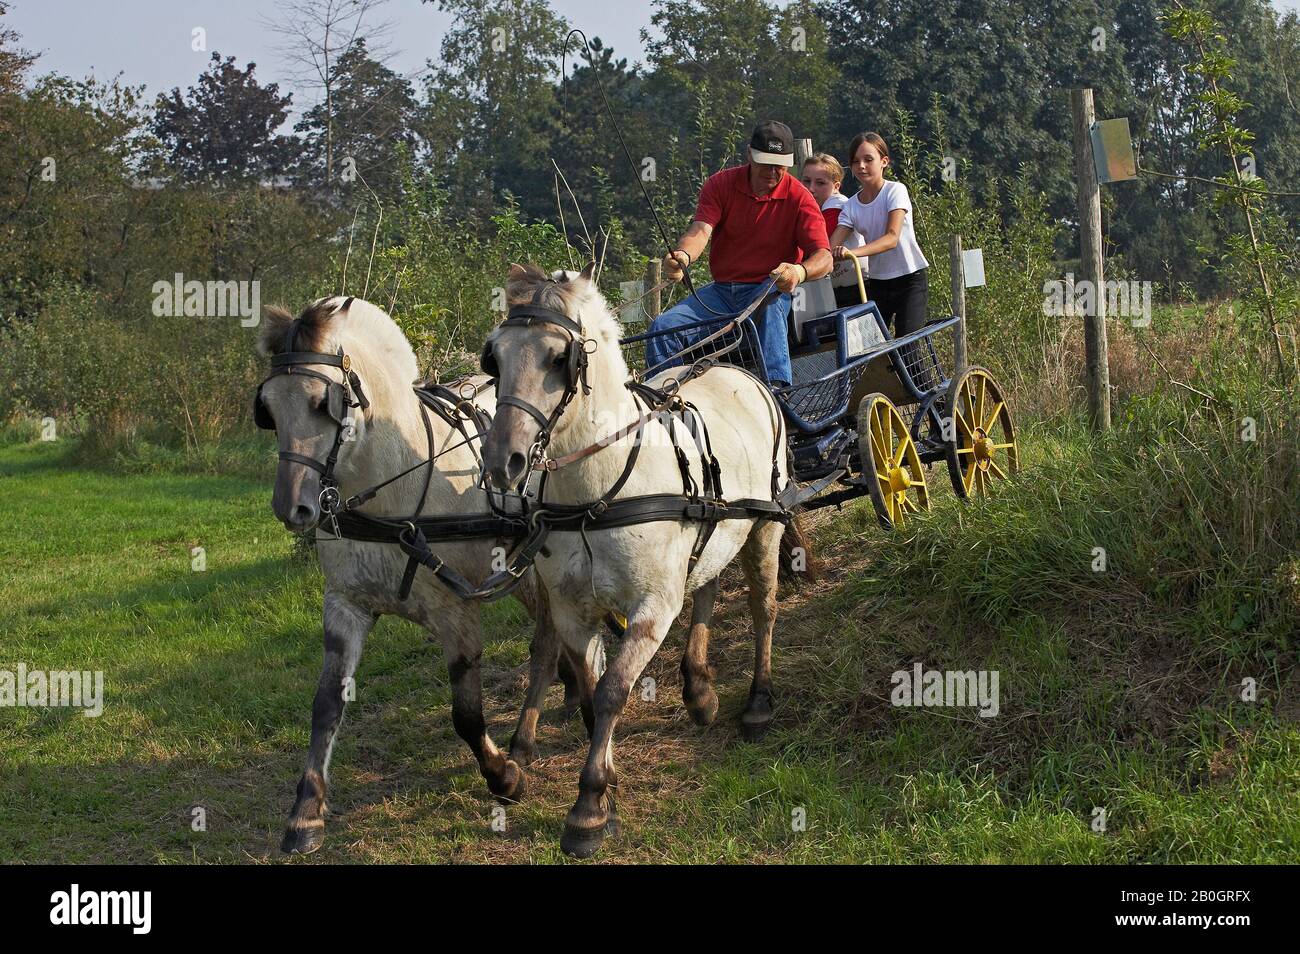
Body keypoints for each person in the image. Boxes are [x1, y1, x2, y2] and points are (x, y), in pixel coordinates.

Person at [647, 120, 833, 388]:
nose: (772, 171)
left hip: (768, 289)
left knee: (769, 305)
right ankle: (665, 397)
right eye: (765, 162)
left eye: (779, 165)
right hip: (721, 293)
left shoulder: (800, 197)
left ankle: (777, 392)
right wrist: (683, 257)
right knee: (664, 328)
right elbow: (700, 230)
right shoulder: (720, 184)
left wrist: (798, 271)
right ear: (749, 154)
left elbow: (824, 257)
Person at [829, 132, 932, 387]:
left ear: (884, 161)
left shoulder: (895, 191)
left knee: (907, 346)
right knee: (864, 353)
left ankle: (938, 409)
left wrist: (852, 253)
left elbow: (891, 238)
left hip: (910, 281)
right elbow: (832, 246)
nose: (861, 166)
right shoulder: (851, 206)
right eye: (855, 161)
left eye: (868, 159)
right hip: (878, 284)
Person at [801, 152, 865, 309]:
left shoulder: (838, 205)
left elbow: (816, 240)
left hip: (855, 288)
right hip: (833, 288)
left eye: (820, 183)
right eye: (806, 181)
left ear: (836, 187)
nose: (811, 188)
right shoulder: (816, 206)